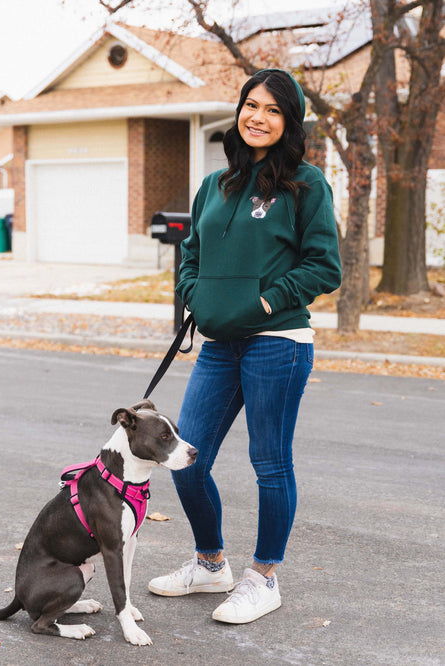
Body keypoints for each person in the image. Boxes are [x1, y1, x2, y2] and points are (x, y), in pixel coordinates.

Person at [147, 69, 342, 624]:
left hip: (277, 342)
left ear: (290, 121)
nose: (258, 117)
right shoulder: (215, 184)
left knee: (270, 463)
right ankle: (211, 565)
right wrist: (193, 297)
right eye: (251, 105)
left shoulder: (306, 184)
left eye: (273, 110)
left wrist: (263, 304)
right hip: (218, 344)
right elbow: (191, 253)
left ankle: (264, 578)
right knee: (184, 458)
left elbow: (324, 265)